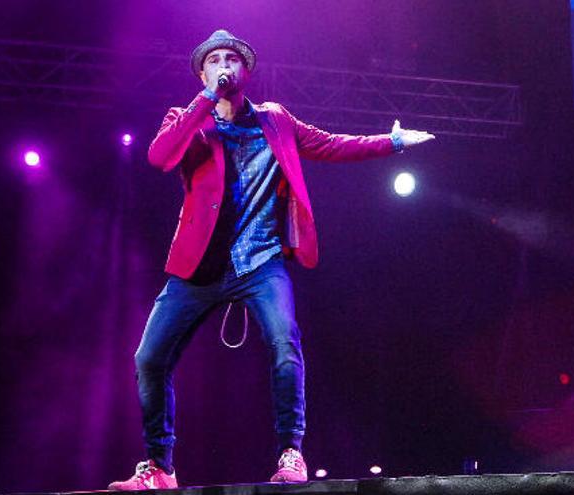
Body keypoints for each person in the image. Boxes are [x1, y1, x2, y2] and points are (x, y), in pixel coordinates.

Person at [108, 29, 435, 490]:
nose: (225, 66)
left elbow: (331, 144)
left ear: (246, 71)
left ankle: (290, 453)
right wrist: (205, 100)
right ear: (203, 73)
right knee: (149, 358)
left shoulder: (275, 120)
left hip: (261, 261)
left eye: (233, 59)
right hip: (200, 267)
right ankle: (160, 467)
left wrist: (392, 142)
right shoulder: (186, 120)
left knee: (285, 343)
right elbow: (160, 157)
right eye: (215, 60)